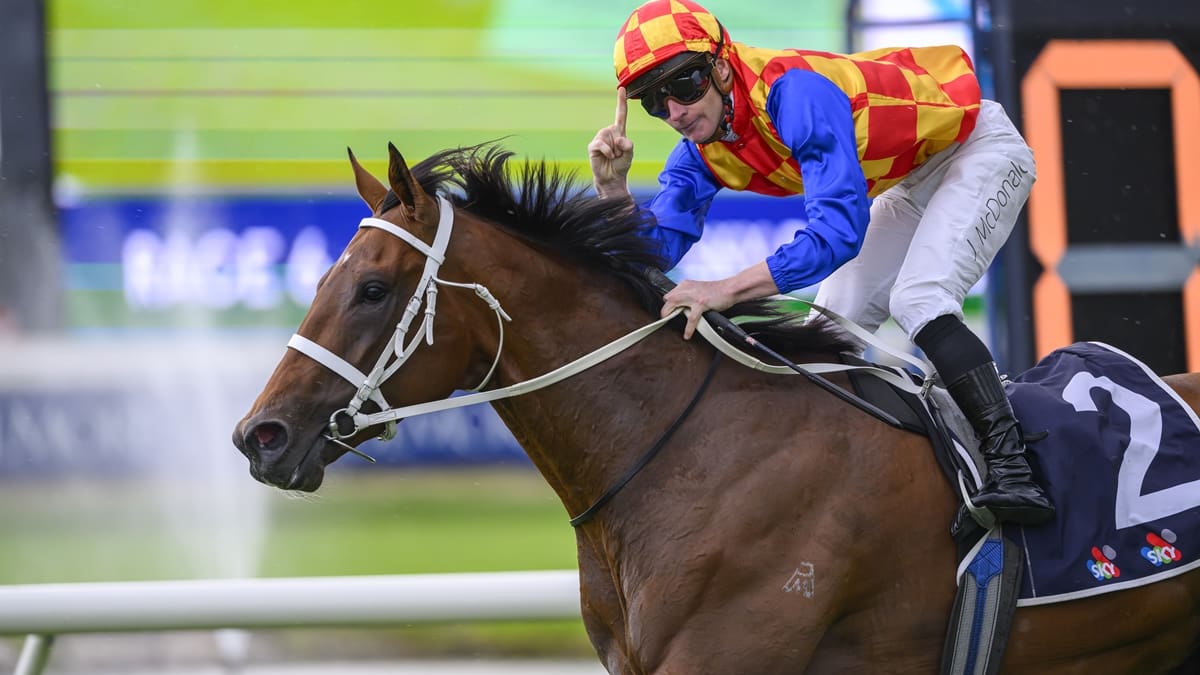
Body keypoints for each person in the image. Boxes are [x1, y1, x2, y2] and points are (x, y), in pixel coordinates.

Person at [587, 0, 1054, 525]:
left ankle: (1016, 470)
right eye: (655, 102)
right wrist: (613, 190)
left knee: (919, 299)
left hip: (980, 149)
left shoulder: (795, 92)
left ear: (721, 66)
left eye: (686, 85)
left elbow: (837, 234)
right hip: (910, 178)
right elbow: (653, 253)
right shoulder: (700, 147)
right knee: (832, 325)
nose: (675, 111)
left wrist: (725, 289)